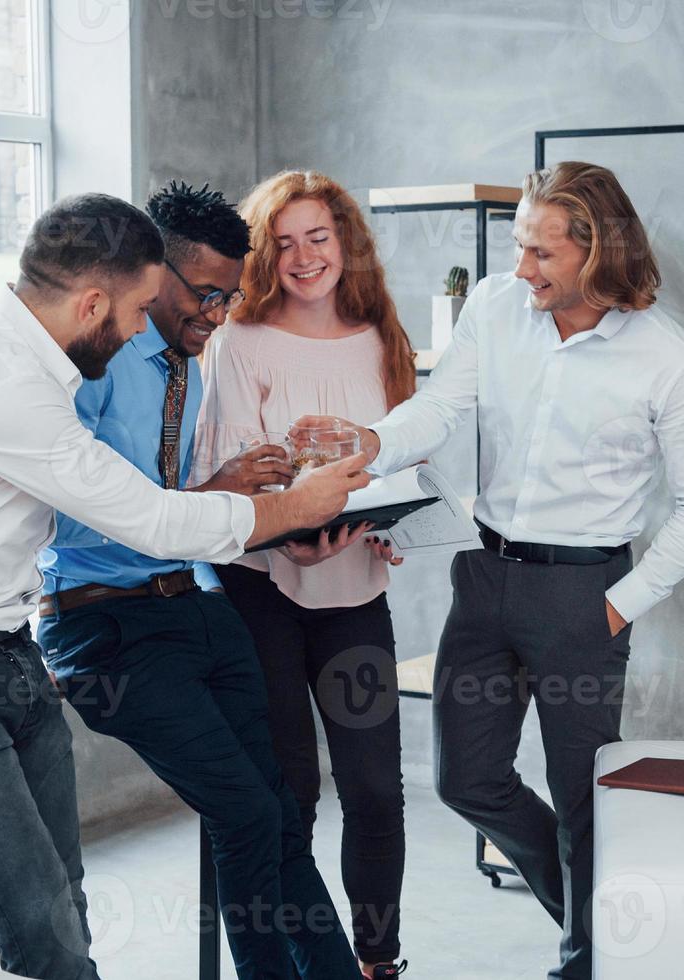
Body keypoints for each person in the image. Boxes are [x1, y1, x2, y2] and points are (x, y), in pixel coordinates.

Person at [0, 192, 367, 980]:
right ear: (92, 302)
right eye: (144, 307)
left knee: (65, 914)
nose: (148, 328)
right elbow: (141, 518)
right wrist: (291, 506)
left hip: (0, 654)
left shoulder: (33, 365)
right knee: (46, 930)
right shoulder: (4, 382)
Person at [301, 162, 684, 980]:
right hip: (485, 575)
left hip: (583, 594)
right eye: (517, 246)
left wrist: (618, 606)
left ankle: (584, 963)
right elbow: (439, 407)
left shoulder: (672, 361)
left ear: (597, 253)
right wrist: (374, 441)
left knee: (582, 799)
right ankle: (592, 922)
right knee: (466, 779)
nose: (522, 269)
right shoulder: (498, 308)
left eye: (542, 253)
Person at [35, 180, 363, 980]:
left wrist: (230, 487)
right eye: (205, 295)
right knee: (248, 812)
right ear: (153, 274)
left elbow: (172, 506)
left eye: (229, 297)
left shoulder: (186, 364)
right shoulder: (97, 363)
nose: (217, 314)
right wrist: (224, 497)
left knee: (275, 815)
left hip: (194, 606)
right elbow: (79, 514)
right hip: (105, 625)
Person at [192, 170, 412, 980]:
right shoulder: (239, 342)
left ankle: (376, 960)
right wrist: (289, 541)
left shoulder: (380, 337)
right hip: (262, 593)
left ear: (345, 241)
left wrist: (389, 532)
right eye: (282, 242)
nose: (302, 256)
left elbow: (400, 459)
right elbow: (228, 468)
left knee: (376, 793)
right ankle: (295, 960)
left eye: (317, 236)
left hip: (355, 593)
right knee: (290, 795)